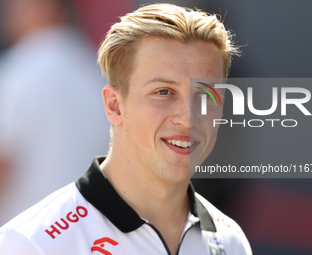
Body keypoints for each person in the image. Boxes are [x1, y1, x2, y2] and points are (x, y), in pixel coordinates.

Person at [0, 3, 252, 255]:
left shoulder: (231, 241)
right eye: (163, 92)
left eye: (206, 96)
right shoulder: (30, 243)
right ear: (114, 106)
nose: (188, 119)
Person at [0, 0, 110, 225]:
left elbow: (4, 163)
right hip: (88, 232)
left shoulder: (17, 71)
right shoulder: (98, 74)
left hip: (26, 235)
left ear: (46, 7)